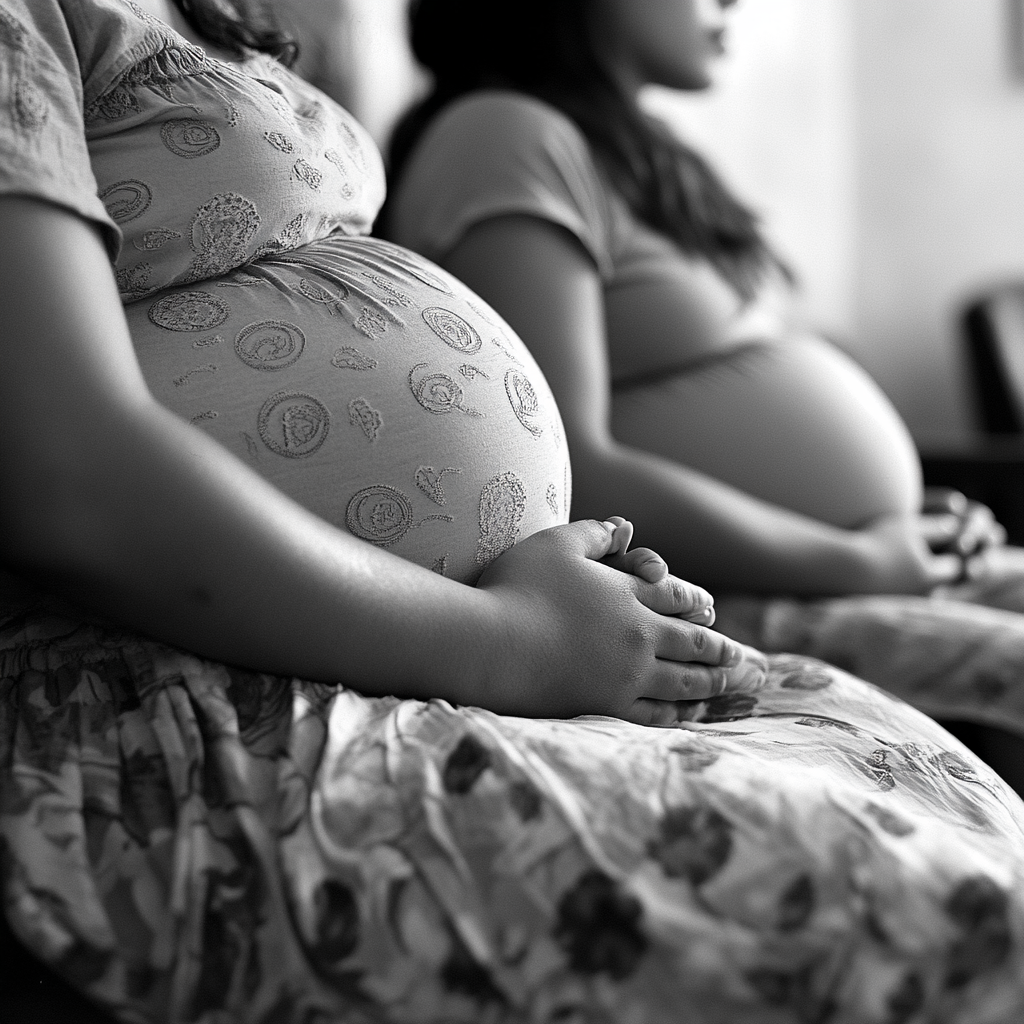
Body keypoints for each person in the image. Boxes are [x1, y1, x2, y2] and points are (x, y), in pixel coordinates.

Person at [2, 2, 1024, 1022]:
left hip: (438, 637)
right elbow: (66, 469)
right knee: (968, 927)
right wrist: (516, 637)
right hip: (217, 679)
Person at [384, 0, 1007, 598]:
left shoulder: (629, 150)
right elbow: (561, 472)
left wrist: (897, 524)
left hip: (820, 567)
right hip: (715, 591)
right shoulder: (503, 135)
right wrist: (853, 559)